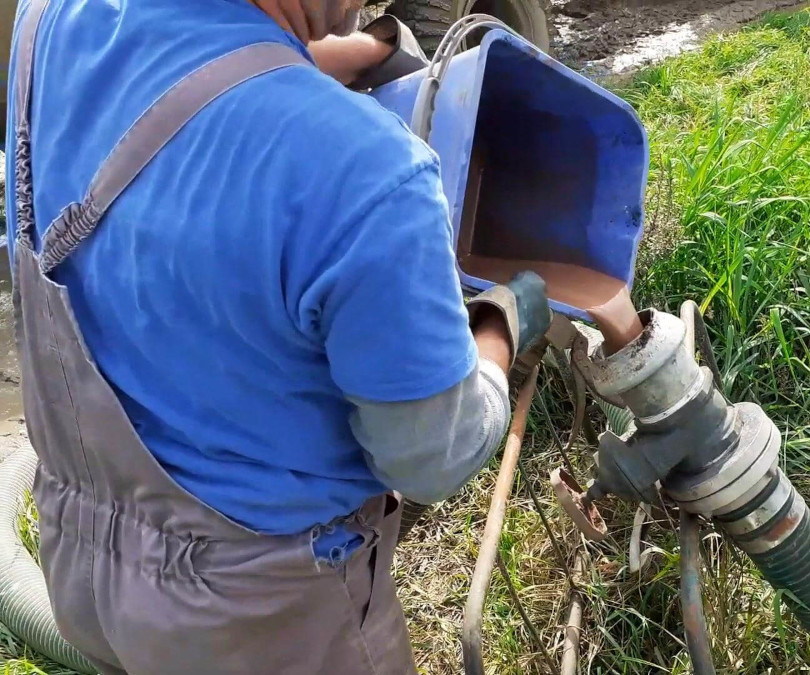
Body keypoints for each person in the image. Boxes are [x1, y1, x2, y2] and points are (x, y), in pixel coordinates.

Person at [3, 0, 550, 673]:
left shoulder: (50, 16)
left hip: (85, 562)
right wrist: (499, 329)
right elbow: (431, 457)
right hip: (261, 624)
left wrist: (353, 52)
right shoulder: (367, 168)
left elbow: (171, 77)